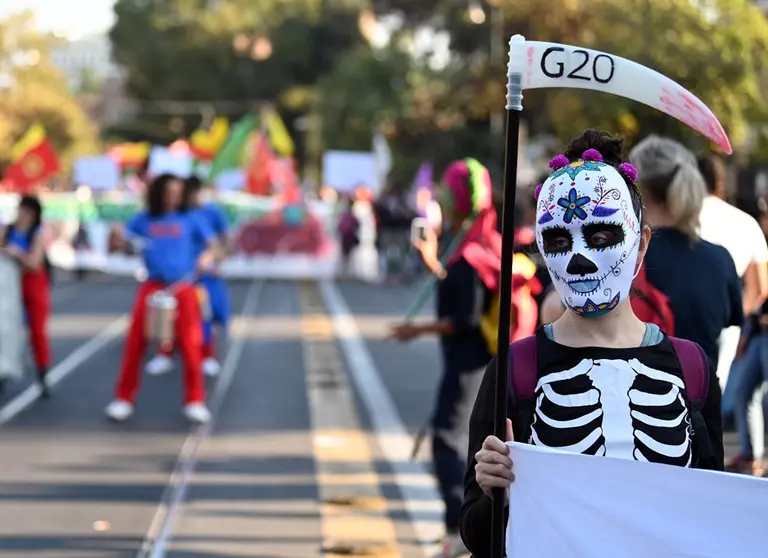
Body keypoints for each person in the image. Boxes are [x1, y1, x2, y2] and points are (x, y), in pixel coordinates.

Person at [460, 130, 724, 557]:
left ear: (641, 243)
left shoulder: (690, 367)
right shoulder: (515, 369)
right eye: (560, 241)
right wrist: (493, 494)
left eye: (601, 238)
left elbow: (711, 519)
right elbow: (478, 537)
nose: (579, 258)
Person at [105, 173, 217, 424]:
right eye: (169, 192)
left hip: (184, 287)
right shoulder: (144, 219)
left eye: (178, 192)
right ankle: (124, 397)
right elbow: (122, 244)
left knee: (191, 344)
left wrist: (207, 257)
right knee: (135, 342)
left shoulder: (191, 218)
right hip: (153, 286)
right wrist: (115, 238)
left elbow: (213, 245)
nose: (173, 197)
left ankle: (195, 400)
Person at [630, 136, 744, 368]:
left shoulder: (626, 261)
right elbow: (728, 321)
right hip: (701, 395)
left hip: (638, 396)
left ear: (640, 191)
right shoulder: (720, 259)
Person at [697, 154, 768, 419]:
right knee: (713, 391)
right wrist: (733, 316)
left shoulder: (677, 218)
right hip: (724, 317)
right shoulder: (745, 222)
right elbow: (760, 288)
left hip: (677, 311)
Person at [145, 176, 230, 377]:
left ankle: (207, 355)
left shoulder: (209, 213)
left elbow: (222, 241)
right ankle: (165, 353)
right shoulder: (174, 215)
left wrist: (215, 259)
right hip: (182, 277)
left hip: (205, 277)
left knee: (205, 318)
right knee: (167, 316)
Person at [2, 195, 52, 397]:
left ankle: (42, 376)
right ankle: (4, 371)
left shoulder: (37, 234)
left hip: (33, 286)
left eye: (26, 211)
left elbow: (35, 263)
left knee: (37, 332)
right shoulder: (8, 230)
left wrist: (17, 254)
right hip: (9, 287)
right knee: (5, 330)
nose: (22, 215)